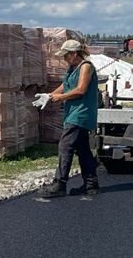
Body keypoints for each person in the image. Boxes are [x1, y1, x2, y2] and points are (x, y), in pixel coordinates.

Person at [35, 39, 100, 200]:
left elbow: (80, 90)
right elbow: (66, 85)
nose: (64, 59)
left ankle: (60, 183)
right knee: (83, 149)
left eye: (66, 56)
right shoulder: (72, 68)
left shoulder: (86, 67)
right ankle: (91, 184)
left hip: (81, 114)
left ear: (74, 54)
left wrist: (60, 98)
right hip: (73, 113)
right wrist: (50, 95)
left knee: (65, 146)